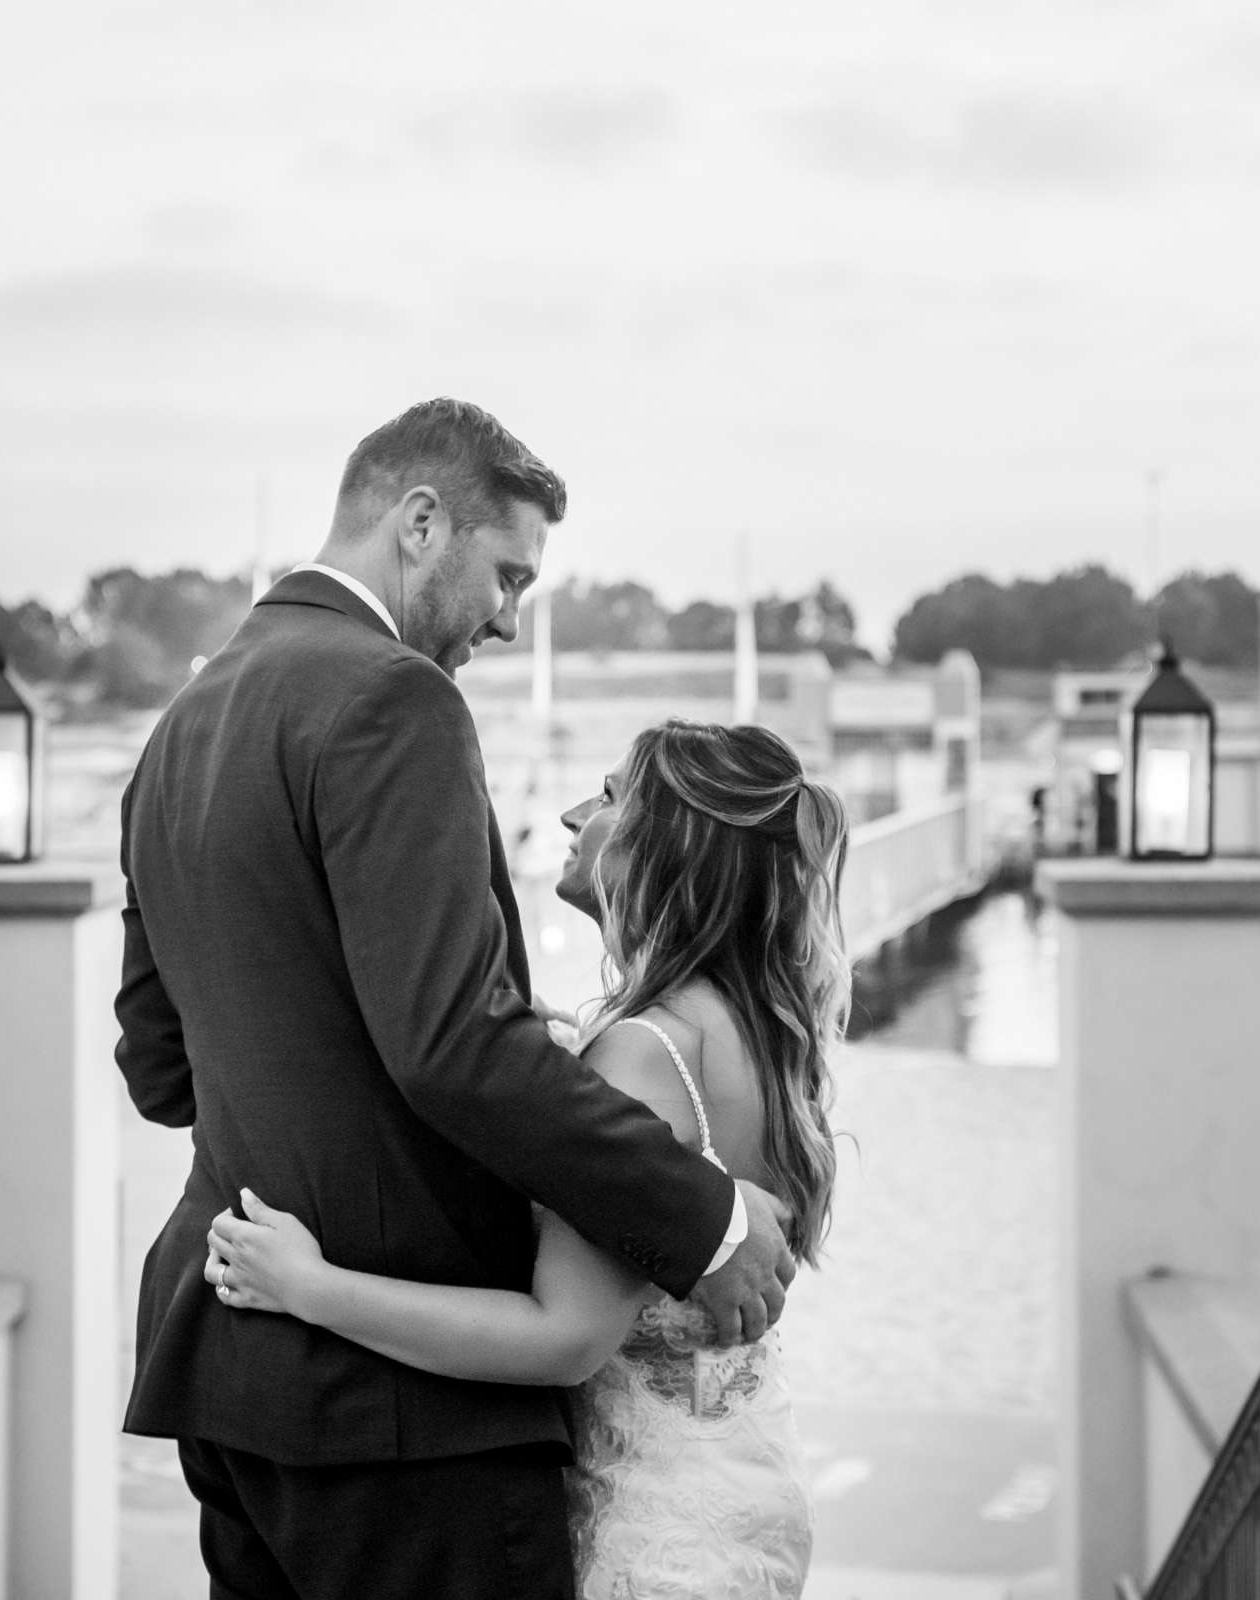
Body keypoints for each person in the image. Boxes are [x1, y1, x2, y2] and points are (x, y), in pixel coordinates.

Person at [115, 399, 799, 1599]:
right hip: (406, 1419)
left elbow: (160, 1069)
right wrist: (703, 1221)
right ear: (421, 522)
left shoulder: (185, 722)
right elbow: (446, 1045)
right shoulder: (391, 698)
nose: (510, 619)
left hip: (230, 1372)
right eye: (508, 576)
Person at [208, 721, 847, 1600]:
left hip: (651, 1537)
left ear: (668, 843)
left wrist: (310, 1289)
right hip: (742, 1487)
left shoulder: (646, 1054)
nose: (573, 814)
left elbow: (565, 1339)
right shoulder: (761, 1040)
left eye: (613, 797)